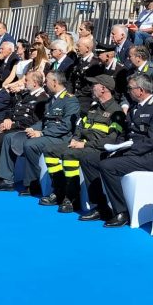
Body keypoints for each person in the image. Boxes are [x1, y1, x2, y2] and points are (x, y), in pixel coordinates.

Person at [78, 72, 153, 226]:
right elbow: (125, 133)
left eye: (130, 88)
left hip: (147, 157)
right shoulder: (135, 107)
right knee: (88, 160)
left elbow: (151, 141)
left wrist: (126, 151)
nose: (128, 91)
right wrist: (117, 147)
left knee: (107, 166)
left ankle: (121, 212)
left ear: (141, 90)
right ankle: (101, 207)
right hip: (129, 152)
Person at [40, 73, 125, 213]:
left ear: (103, 89)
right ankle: (60, 190)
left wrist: (84, 145)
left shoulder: (116, 111)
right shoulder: (93, 108)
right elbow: (80, 127)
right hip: (82, 144)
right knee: (50, 150)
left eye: (94, 85)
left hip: (97, 148)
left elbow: (111, 140)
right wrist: (75, 138)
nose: (91, 87)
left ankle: (71, 197)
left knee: (70, 154)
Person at [0, 71, 80, 195]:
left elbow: (66, 126)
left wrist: (42, 133)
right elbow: (44, 120)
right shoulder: (52, 99)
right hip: (46, 133)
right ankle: (6, 180)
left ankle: (32, 184)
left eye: (47, 81)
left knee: (30, 144)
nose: (45, 83)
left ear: (55, 82)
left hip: (60, 137)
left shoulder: (70, 100)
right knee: (9, 138)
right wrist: (32, 128)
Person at [0, 70, 49, 181]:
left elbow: (34, 121)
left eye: (26, 80)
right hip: (15, 126)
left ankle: (2, 176)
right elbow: (12, 110)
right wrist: (7, 119)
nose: (24, 82)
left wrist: (13, 124)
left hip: (24, 130)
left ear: (35, 83)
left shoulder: (43, 99)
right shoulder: (25, 95)